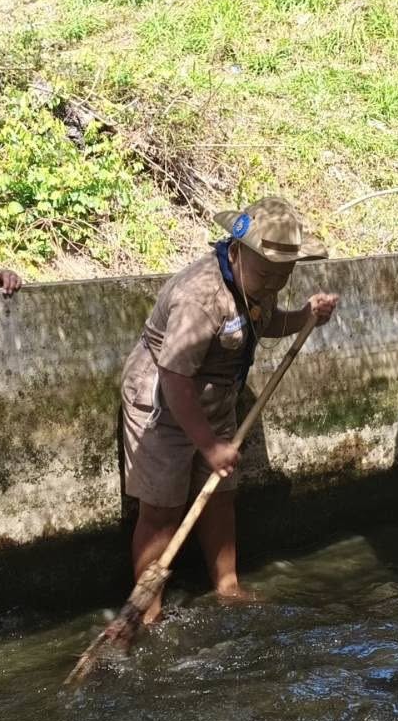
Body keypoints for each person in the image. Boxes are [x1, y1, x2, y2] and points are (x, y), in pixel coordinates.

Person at [120, 197, 339, 623]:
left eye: (284, 275)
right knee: (162, 508)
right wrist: (208, 445)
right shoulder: (199, 298)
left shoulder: (257, 282)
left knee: (221, 496)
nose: (274, 283)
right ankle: (147, 611)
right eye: (267, 273)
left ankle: (227, 586)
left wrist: (305, 317)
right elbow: (175, 376)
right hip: (163, 401)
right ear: (236, 251)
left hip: (216, 397)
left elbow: (266, 322)